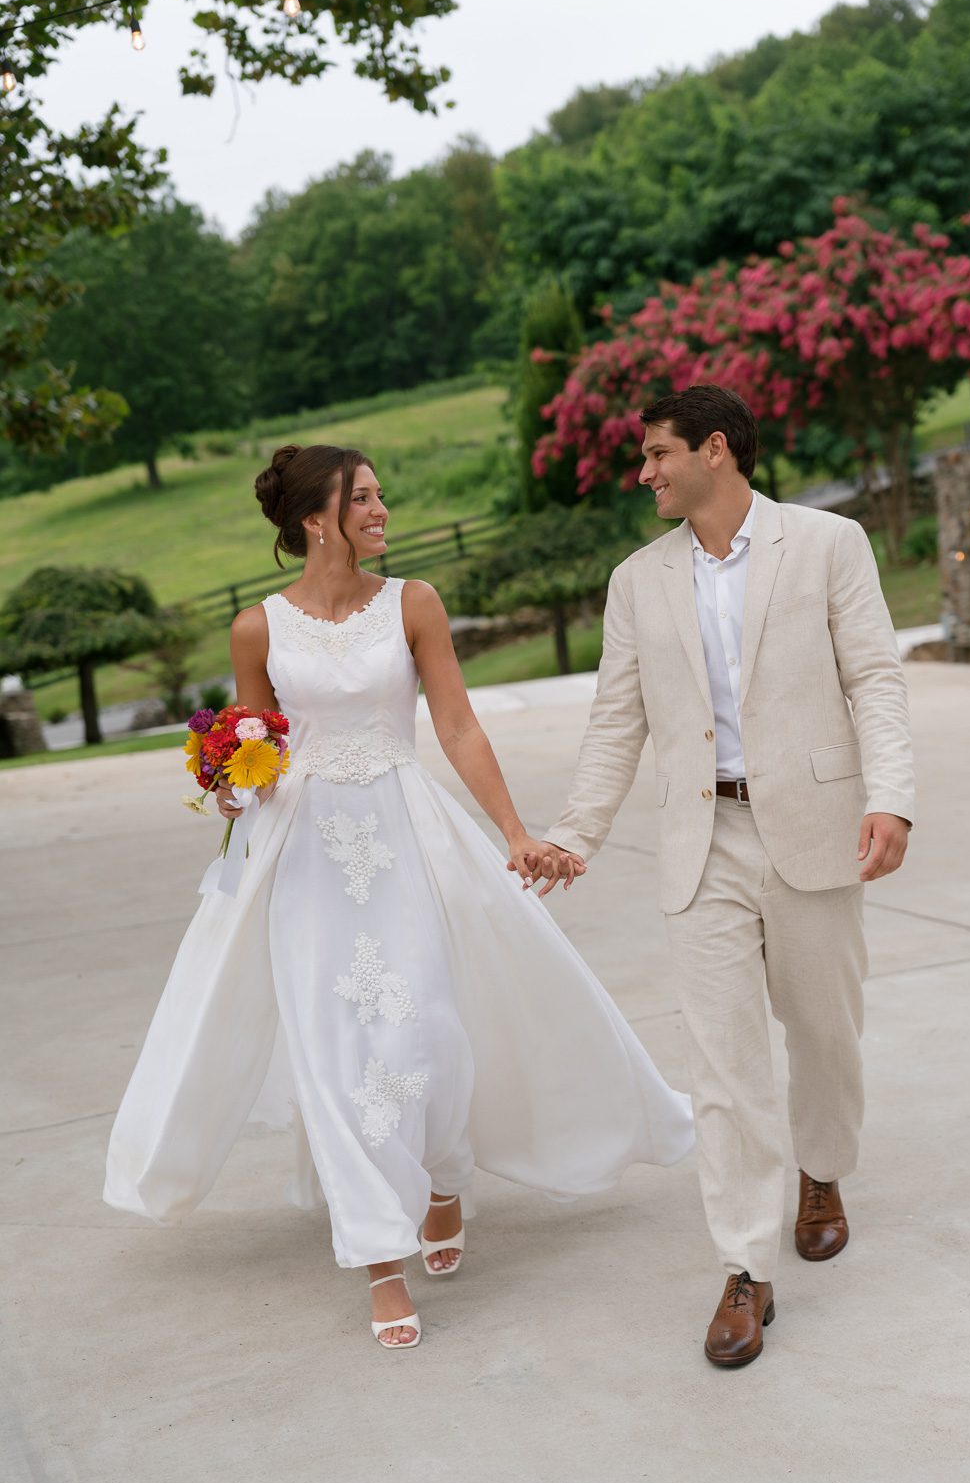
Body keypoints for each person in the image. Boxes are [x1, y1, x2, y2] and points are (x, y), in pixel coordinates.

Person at [104, 442, 693, 1350]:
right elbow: (254, 744)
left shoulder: (412, 604)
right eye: (366, 498)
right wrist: (230, 782)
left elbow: (454, 723)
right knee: (338, 1048)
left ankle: (444, 1174)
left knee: (423, 1028)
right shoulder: (256, 627)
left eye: (382, 496)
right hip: (302, 854)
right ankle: (380, 1255)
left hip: (403, 832)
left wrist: (514, 832)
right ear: (314, 519)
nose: (383, 511)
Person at [542, 385, 914, 1367]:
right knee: (723, 1063)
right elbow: (615, 720)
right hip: (698, 841)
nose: (645, 473)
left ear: (715, 450)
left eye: (658, 454)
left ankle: (821, 1169)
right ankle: (745, 1267)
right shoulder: (637, 580)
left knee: (823, 1028)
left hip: (812, 825)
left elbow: (872, 675)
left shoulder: (827, 546)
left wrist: (892, 797)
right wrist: (575, 831)